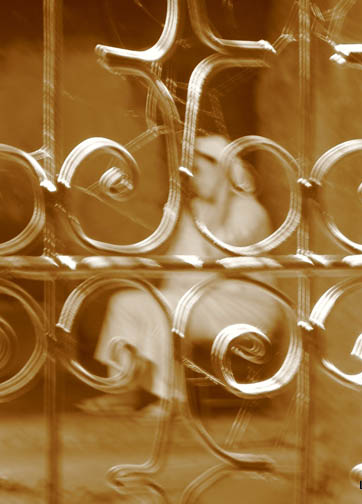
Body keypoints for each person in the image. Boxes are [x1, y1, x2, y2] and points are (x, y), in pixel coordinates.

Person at [77, 135, 281, 417]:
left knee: (164, 309)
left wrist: (222, 197)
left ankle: (170, 399)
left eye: (199, 170)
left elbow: (219, 252)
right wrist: (159, 289)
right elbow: (180, 259)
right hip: (201, 297)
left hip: (242, 305)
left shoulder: (248, 210)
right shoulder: (197, 210)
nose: (193, 179)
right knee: (125, 302)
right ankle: (124, 390)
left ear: (222, 171)